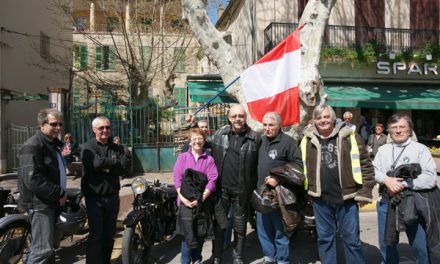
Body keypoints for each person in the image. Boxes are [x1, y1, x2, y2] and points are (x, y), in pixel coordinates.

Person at [300, 105, 375, 264]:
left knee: (352, 241)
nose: (323, 121)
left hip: (346, 198)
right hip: (320, 199)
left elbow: (366, 165)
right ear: (314, 121)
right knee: (325, 240)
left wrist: (365, 192)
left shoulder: (350, 136)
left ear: (333, 118)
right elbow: (302, 166)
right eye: (319, 118)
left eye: (326, 117)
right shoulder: (307, 139)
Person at [190, 104, 260, 264]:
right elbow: (200, 140)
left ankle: (238, 257)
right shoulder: (220, 135)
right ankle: (217, 256)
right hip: (222, 190)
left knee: (240, 227)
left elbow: (259, 164)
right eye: (234, 116)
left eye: (241, 116)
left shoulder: (255, 138)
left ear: (245, 118)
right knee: (219, 226)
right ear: (229, 118)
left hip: (242, 190)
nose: (238, 119)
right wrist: (193, 125)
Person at [373, 114, 439, 264]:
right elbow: (374, 171)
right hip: (386, 202)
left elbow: (430, 178)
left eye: (402, 127)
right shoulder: (383, 150)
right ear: (389, 131)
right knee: (387, 245)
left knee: (420, 245)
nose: (398, 131)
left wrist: (403, 184)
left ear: (409, 130)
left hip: (413, 203)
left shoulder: (420, 150)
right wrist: (386, 180)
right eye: (394, 127)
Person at [17, 108, 67, 263]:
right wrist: (59, 193)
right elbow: (34, 180)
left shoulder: (52, 145)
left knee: (48, 249)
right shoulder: (33, 146)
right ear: (41, 125)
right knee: (41, 251)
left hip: (50, 202)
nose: (58, 128)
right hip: (40, 205)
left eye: (60, 124)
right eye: (54, 124)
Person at [81, 116, 129, 264]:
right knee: (96, 236)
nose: (105, 131)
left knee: (109, 235)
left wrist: (106, 166)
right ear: (94, 129)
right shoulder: (88, 147)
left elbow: (124, 167)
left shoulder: (116, 148)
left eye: (107, 127)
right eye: (101, 128)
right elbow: (95, 163)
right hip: (95, 199)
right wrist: (113, 164)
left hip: (113, 198)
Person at [256, 112, 303, 264]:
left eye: (271, 125)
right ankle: (269, 257)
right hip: (261, 194)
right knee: (263, 229)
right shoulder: (260, 141)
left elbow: (298, 166)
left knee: (280, 230)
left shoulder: (288, 142)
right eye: (265, 125)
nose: (267, 128)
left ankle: (282, 260)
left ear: (279, 125)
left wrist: (278, 178)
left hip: (280, 195)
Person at [173, 128, 218, 264]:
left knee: (200, 233)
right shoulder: (182, 157)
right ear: (190, 141)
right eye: (194, 139)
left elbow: (213, 180)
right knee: (187, 236)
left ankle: (197, 259)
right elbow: (177, 178)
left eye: (200, 138)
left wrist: (201, 198)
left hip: (202, 202)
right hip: (185, 202)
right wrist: (183, 199)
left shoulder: (209, 159)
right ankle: (185, 261)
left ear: (204, 141)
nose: (197, 141)